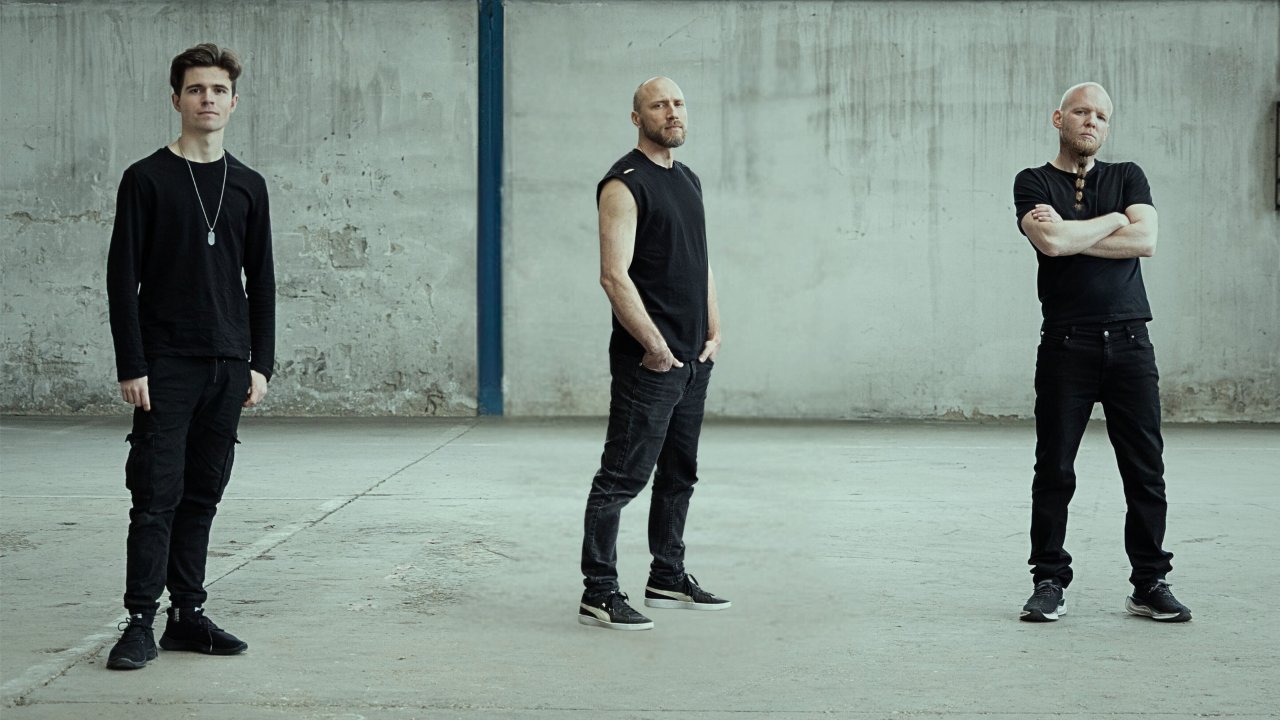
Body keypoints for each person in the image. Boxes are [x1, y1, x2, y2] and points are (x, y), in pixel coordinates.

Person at [104, 43, 276, 669]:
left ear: (234, 101)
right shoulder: (145, 179)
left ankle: (187, 616)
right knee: (156, 495)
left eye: (219, 90)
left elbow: (262, 280)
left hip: (228, 363)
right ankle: (139, 622)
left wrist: (260, 364)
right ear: (176, 99)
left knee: (204, 493)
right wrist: (132, 364)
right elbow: (122, 278)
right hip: (166, 362)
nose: (208, 99)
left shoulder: (249, 185)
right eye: (197, 89)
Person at [1012, 82, 1190, 623]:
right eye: (1082, 112)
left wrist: (1078, 232)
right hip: (1067, 342)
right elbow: (1051, 244)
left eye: (1102, 116)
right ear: (1059, 118)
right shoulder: (1032, 181)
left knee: (1145, 469)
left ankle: (1149, 582)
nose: (1092, 121)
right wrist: (1115, 220)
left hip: (1131, 341)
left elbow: (1146, 241)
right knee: (1055, 468)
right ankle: (1049, 580)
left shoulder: (1128, 175)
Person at [578, 77, 730, 631]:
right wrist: (656, 347)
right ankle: (599, 591)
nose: (672, 112)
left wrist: (714, 329)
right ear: (637, 118)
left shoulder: (688, 179)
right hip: (651, 362)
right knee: (622, 476)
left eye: (678, 103)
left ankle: (667, 575)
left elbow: (700, 260)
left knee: (679, 473)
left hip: (694, 358)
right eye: (658, 105)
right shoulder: (623, 184)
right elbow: (613, 276)